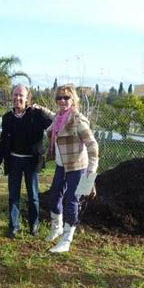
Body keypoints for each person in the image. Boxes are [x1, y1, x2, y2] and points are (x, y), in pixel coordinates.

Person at [0, 84, 54, 238]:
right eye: (15, 95)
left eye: (21, 95)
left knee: (33, 196)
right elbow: (3, 142)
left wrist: (44, 110)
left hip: (31, 163)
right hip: (14, 161)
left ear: (27, 98)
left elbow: (56, 121)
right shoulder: (7, 118)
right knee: (13, 196)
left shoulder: (36, 115)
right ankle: (13, 226)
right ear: (11, 97)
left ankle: (33, 225)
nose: (18, 98)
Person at [46, 84, 98, 253]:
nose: (62, 100)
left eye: (66, 97)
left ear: (73, 99)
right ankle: (57, 227)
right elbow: (50, 130)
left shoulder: (77, 119)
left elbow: (92, 144)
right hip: (62, 166)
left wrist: (91, 170)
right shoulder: (58, 118)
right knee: (54, 196)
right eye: (59, 97)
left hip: (77, 167)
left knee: (71, 200)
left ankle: (67, 238)